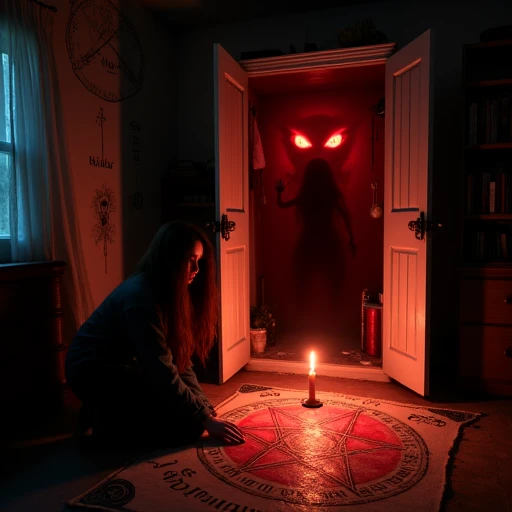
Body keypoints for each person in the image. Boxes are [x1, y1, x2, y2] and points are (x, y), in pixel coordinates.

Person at [65, 221, 245, 448]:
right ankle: (105, 420)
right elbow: (162, 370)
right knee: (190, 427)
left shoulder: (169, 291)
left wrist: (204, 407)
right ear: (170, 258)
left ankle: (109, 412)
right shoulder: (141, 298)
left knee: (192, 415)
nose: (196, 269)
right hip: (92, 372)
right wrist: (204, 419)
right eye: (190, 260)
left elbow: (180, 361)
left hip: (127, 366)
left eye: (199, 261)